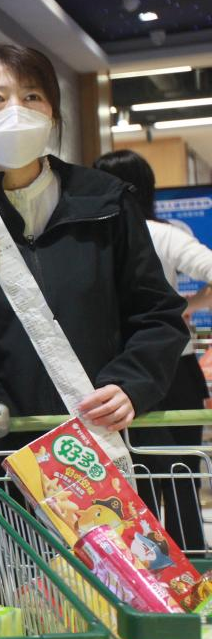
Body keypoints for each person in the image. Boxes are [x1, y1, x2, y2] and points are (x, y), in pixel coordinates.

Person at [0, 44, 187, 474]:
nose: (15, 111)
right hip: (3, 465)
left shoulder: (106, 203)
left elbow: (158, 315)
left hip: (101, 451)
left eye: (32, 96)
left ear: (52, 115)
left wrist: (132, 383)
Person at [93, 149, 210, 551]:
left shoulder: (96, 239)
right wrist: (188, 307)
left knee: (132, 479)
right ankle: (191, 567)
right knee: (182, 477)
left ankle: (144, 569)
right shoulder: (165, 234)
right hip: (175, 369)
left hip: (120, 374)